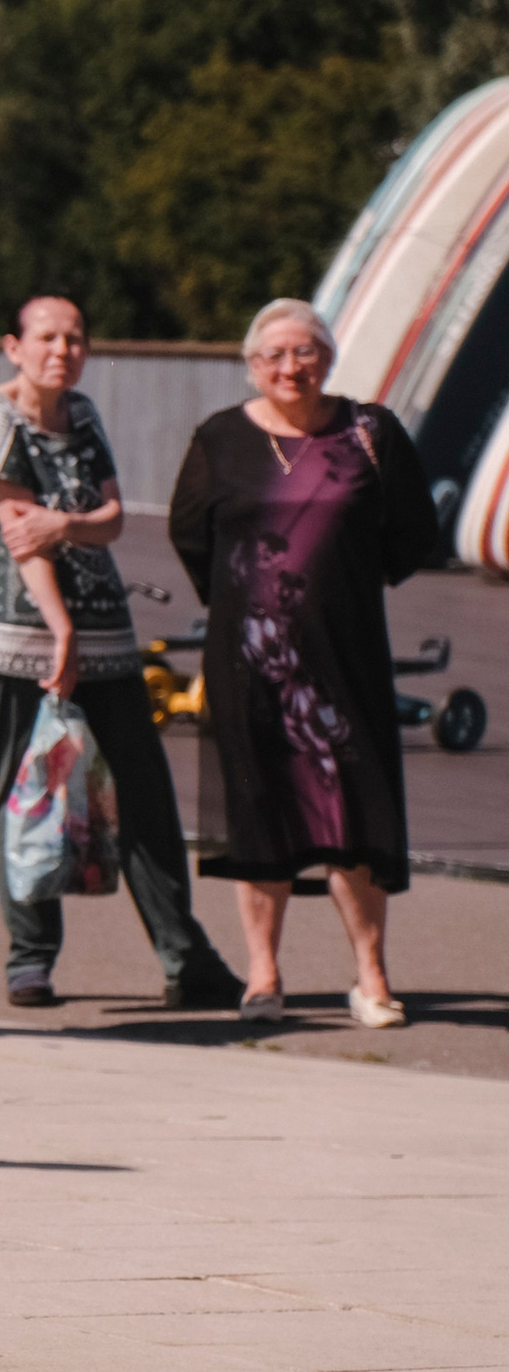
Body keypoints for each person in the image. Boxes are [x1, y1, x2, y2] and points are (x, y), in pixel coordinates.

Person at [0, 295, 242, 1011]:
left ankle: (186, 956)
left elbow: (113, 519)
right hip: (32, 635)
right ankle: (30, 957)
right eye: (47, 337)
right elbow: (21, 539)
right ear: (12, 346)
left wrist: (67, 523)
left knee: (144, 794)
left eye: (75, 337)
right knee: (31, 790)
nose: (63, 350)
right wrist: (61, 629)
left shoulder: (82, 415)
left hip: (108, 631)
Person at [169, 298, 441, 1029]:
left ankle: (372, 974)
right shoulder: (220, 438)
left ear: (327, 357)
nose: (292, 367)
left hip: (345, 654)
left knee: (355, 809)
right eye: (276, 356)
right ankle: (263, 974)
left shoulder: (370, 431)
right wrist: (243, 602)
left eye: (306, 352)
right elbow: (190, 532)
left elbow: (413, 529)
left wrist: (346, 583)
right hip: (248, 662)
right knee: (260, 812)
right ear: (253, 366)